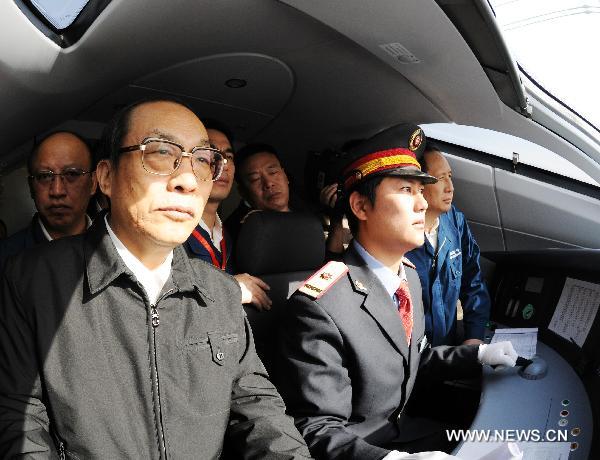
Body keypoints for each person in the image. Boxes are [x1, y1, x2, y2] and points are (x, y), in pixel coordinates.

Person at [0, 98, 311, 459]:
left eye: (202, 160)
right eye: (161, 153)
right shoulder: (29, 280)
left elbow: (258, 409)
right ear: (106, 177)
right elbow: (20, 418)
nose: (186, 180)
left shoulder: (220, 292)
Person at [276, 123, 517, 460]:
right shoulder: (321, 307)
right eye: (406, 189)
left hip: (408, 429)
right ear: (360, 207)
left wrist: (477, 355)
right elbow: (316, 429)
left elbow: (408, 361)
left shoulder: (409, 278)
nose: (421, 204)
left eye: (421, 191)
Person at [406, 145, 490, 346]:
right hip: (415, 361)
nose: (450, 187)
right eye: (440, 178)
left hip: (450, 352)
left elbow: (473, 281)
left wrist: (474, 337)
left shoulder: (455, 222)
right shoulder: (400, 235)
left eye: (450, 176)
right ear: (419, 185)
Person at [185, 120, 272, 311]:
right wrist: (229, 288)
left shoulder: (231, 235)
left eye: (229, 156)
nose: (222, 164)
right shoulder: (170, 233)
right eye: (209, 154)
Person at [0, 131, 97, 271]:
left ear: (93, 183)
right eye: (44, 176)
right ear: (31, 187)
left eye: (72, 174)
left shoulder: (120, 246)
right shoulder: (6, 261)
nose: (57, 191)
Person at [225, 143, 344, 256]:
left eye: (273, 172)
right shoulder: (238, 233)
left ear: (286, 177)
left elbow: (333, 263)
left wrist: (336, 219)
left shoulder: (310, 214)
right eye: (255, 179)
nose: (269, 183)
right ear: (243, 193)